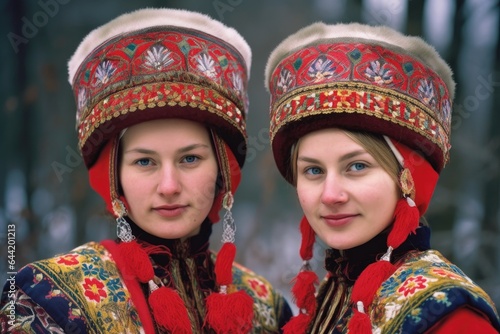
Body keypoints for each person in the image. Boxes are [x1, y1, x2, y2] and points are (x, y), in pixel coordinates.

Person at [0, 8, 292, 333]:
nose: (169, 186)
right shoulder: (49, 299)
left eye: (190, 159)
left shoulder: (265, 306)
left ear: (223, 169)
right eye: (144, 162)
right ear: (115, 178)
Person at [264, 22, 500, 333]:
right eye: (313, 171)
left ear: (408, 178)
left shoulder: (452, 317)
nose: (330, 194)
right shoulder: (330, 298)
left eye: (357, 166)